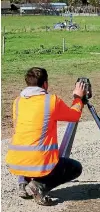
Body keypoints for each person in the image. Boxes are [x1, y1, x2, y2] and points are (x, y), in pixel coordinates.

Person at [5, 67, 86, 206]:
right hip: (39, 162)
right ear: (45, 84)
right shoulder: (51, 101)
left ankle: (23, 183)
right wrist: (78, 98)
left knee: (29, 142)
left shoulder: (17, 101)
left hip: (16, 161)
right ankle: (38, 186)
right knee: (75, 168)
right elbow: (74, 115)